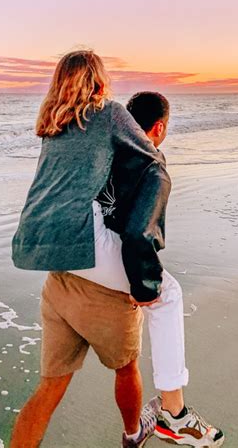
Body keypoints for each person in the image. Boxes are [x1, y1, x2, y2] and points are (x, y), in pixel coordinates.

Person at [10, 50, 165, 448]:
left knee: (49, 388)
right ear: (98, 81)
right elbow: (151, 157)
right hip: (85, 246)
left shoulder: (52, 123)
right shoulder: (109, 113)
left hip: (47, 255)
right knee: (151, 308)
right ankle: (145, 428)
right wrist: (141, 284)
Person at [72, 92, 225, 447]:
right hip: (92, 254)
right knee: (166, 293)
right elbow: (139, 236)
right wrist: (144, 287)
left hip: (65, 245)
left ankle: (152, 420)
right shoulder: (152, 166)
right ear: (158, 128)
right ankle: (174, 413)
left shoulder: (105, 148)